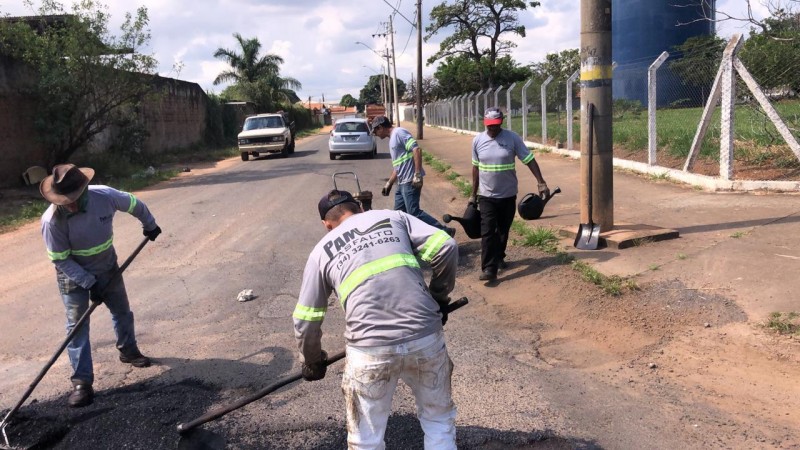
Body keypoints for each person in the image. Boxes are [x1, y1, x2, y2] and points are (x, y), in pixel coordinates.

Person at [293, 189, 459, 449]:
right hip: (424, 336)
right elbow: (446, 246)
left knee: (365, 440)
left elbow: (306, 319)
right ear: (359, 208)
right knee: (438, 420)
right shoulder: (393, 217)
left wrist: (312, 361)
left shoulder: (321, 251)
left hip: (369, 350)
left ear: (327, 225)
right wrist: (438, 298)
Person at [39, 164, 162, 407]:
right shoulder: (51, 221)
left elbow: (134, 204)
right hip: (73, 275)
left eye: (73, 198)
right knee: (77, 326)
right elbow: (60, 259)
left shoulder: (104, 196)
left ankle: (128, 350)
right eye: (65, 201)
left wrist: (149, 224)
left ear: (84, 190)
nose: (70, 204)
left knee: (122, 311)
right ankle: (81, 382)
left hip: (107, 266)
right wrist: (88, 282)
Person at [471, 107, 550, 282]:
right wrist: (473, 194)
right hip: (486, 195)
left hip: (507, 195)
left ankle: (499, 256)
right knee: (488, 230)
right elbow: (475, 168)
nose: (492, 129)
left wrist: (541, 182)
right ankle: (489, 268)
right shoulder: (477, 140)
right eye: (489, 126)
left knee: (503, 229)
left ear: (502, 122)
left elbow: (528, 159)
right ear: (485, 123)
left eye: (496, 126)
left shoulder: (512, 138)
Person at [371, 115, 456, 238]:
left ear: (380, 127)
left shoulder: (399, 133)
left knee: (414, 212)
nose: (375, 134)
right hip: (401, 182)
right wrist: (389, 183)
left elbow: (416, 149)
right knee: (398, 214)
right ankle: (406, 239)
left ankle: (445, 231)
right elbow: (398, 166)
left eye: (375, 131)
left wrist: (417, 174)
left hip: (410, 181)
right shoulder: (392, 139)